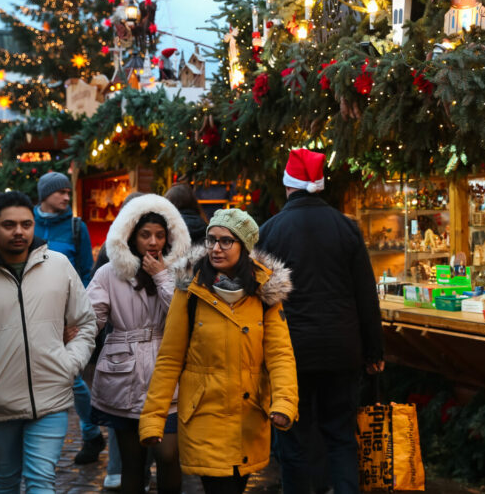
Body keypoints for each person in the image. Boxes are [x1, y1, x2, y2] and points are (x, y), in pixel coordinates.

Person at [0, 191, 97, 493]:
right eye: (9, 225)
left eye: (26, 224)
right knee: (6, 481)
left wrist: (70, 364)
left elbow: (85, 322)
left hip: (51, 397)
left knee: (41, 482)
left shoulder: (59, 266)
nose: (19, 232)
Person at [140, 209, 298, 494]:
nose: (215, 247)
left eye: (226, 241)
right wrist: (153, 419)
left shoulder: (264, 293)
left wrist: (284, 404)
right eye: (211, 239)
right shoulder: (189, 290)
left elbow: (280, 354)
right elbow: (170, 358)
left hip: (248, 419)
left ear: (244, 246)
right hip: (204, 415)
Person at [256, 148, 384, 494]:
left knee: (294, 440)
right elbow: (365, 295)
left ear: (288, 185)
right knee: (340, 436)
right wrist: (374, 351)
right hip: (342, 350)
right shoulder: (347, 228)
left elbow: (262, 298)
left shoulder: (269, 232)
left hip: (290, 351)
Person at [87, 194, 189, 494]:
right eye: (145, 235)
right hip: (123, 374)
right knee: (132, 462)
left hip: (166, 373)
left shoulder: (180, 272)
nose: (153, 241)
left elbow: (185, 318)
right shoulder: (109, 273)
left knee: (169, 456)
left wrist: (162, 279)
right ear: (131, 236)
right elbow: (91, 318)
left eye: (160, 235)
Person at [32, 171, 104, 464]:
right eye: (60, 191)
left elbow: (86, 272)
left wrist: (76, 314)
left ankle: (90, 433)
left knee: (71, 377)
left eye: (67, 191)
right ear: (45, 194)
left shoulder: (76, 227)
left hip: (65, 318)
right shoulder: (29, 222)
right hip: (30, 313)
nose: (66, 196)